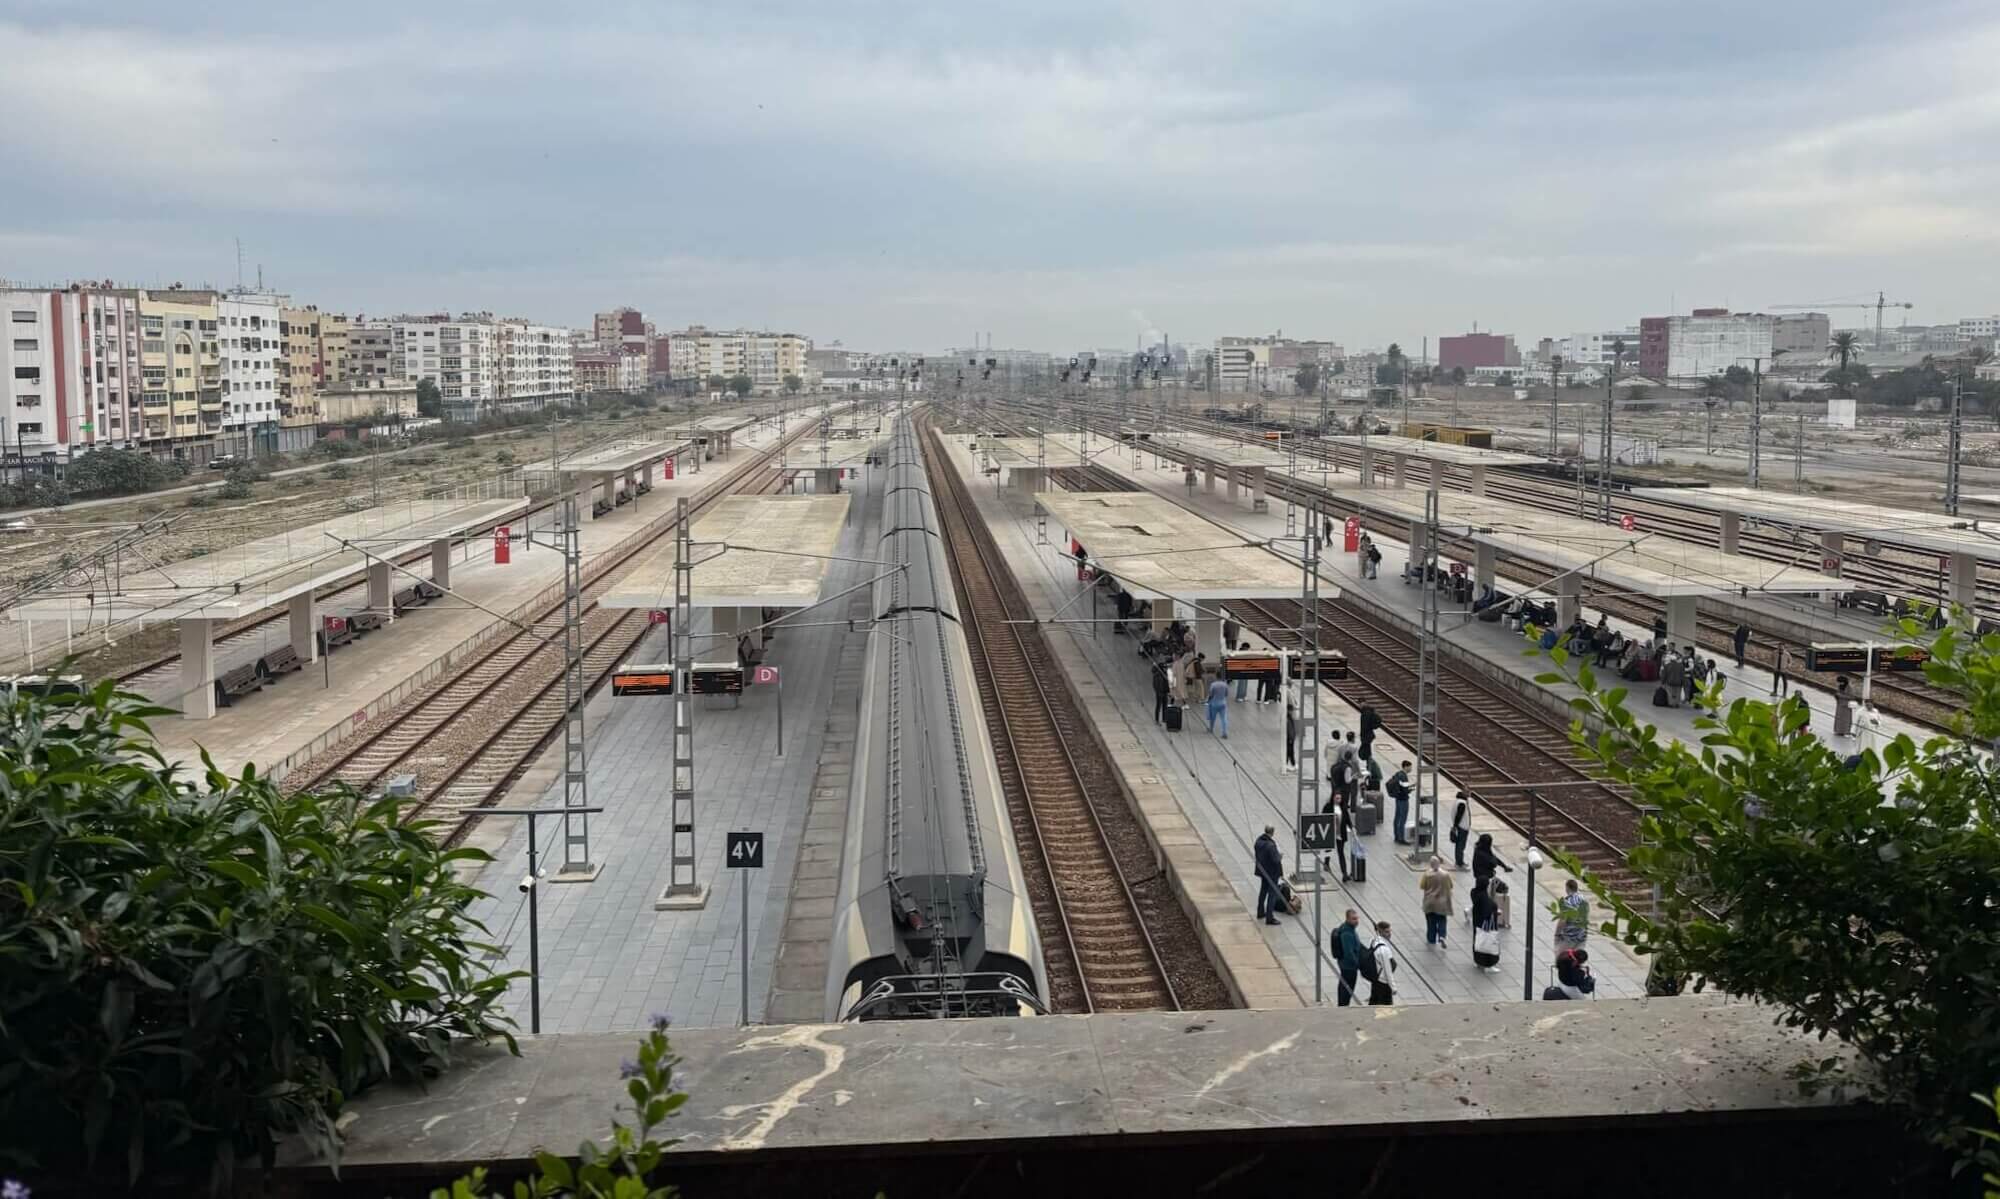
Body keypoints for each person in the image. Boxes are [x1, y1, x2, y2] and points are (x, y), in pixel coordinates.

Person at [1472, 878, 1507, 972]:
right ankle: (1488, 964)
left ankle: (1478, 961)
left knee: (1479, 941)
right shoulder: (1484, 897)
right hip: (1487, 925)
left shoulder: (1475, 893)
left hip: (1477, 922)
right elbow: (1487, 911)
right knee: (1489, 942)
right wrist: (1496, 912)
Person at [1420, 857, 1453, 950]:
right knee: (1442, 919)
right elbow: (1451, 885)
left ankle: (1431, 939)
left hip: (1430, 902)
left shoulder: (1426, 874)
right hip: (1442, 902)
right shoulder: (1446, 875)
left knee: (1431, 921)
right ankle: (1442, 936)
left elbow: (1422, 886)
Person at [1253, 826, 1284, 926]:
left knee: (1263, 891)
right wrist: (1280, 856)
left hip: (1263, 871)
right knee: (1272, 894)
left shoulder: (1258, 841)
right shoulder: (1270, 845)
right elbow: (1276, 859)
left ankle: (1260, 911)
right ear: (1272, 832)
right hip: (1272, 873)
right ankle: (1270, 917)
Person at [1334, 909, 1364, 1006]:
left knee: (1344, 984)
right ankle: (1343, 1004)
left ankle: (1343, 1003)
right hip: (1348, 966)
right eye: (1353, 919)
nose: (1356, 921)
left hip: (1346, 964)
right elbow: (1349, 952)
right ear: (1347, 919)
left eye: (1357, 918)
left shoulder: (1349, 929)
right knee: (1347, 986)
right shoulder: (1347, 933)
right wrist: (1357, 964)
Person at [1554, 878, 1590, 955]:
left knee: (1562, 958)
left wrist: (1557, 934)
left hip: (1569, 936)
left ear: (1567, 888)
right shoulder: (1584, 900)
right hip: (1581, 935)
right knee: (1577, 958)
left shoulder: (1566, 902)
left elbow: (1563, 920)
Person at [1365, 921, 1397, 1005]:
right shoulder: (1384, 950)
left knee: (1374, 1002)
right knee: (1385, 1006)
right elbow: (1387, 970)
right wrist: (1393, 987)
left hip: (1376, 978)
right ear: (1380, 932)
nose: (1389, 934)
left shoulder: (1374, 941)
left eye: (1390, 931)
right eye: (1387, 932)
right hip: (1383, 983)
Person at [1386, 760, 1413, 845]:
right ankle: (1401, 838)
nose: (1411, 768)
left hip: (1398, 798)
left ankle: (1396, 836)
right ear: (1405, 766)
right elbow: (1405, 790)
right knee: (1402, 819)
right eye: (1410, 767)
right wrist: (1411, 789)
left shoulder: (1398, 774)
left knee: (1397, 817)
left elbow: (1401, 787)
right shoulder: (1404, 776)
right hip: (1403, 800)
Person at [1449, 793, 1471, 869]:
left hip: (1461, 827)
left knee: (1459, 845)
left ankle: (1459, 861)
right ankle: (1460, 863)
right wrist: (1455, 826)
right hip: (1462, 827)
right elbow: (1459, 815)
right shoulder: (1462, 803)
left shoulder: (1457, 801)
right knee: (1460, 846)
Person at [1151, 658, 1172, 726]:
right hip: (1159, 693)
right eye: (1164, 667)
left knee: (1165, 706)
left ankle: (1164, 718)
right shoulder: (1157, 675)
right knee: (1158, 706)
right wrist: (1159, 692)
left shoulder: (1165, 674)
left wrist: (1169, 691)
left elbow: (1167, 684)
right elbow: (1156, 685)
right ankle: (1157, 720)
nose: (1166, 669)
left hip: (1164, 692)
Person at [1284, 701, 1298, 771]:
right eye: (1291, 711)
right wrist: (1291, 738)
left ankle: (1289, 764)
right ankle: (1292, 764)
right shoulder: (1287, 719)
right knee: (1290, 752)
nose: (1292, 712)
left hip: (1290, 738)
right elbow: (1289, 729)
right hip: (1289, 738)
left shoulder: (1288, 717)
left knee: (1289, 752)